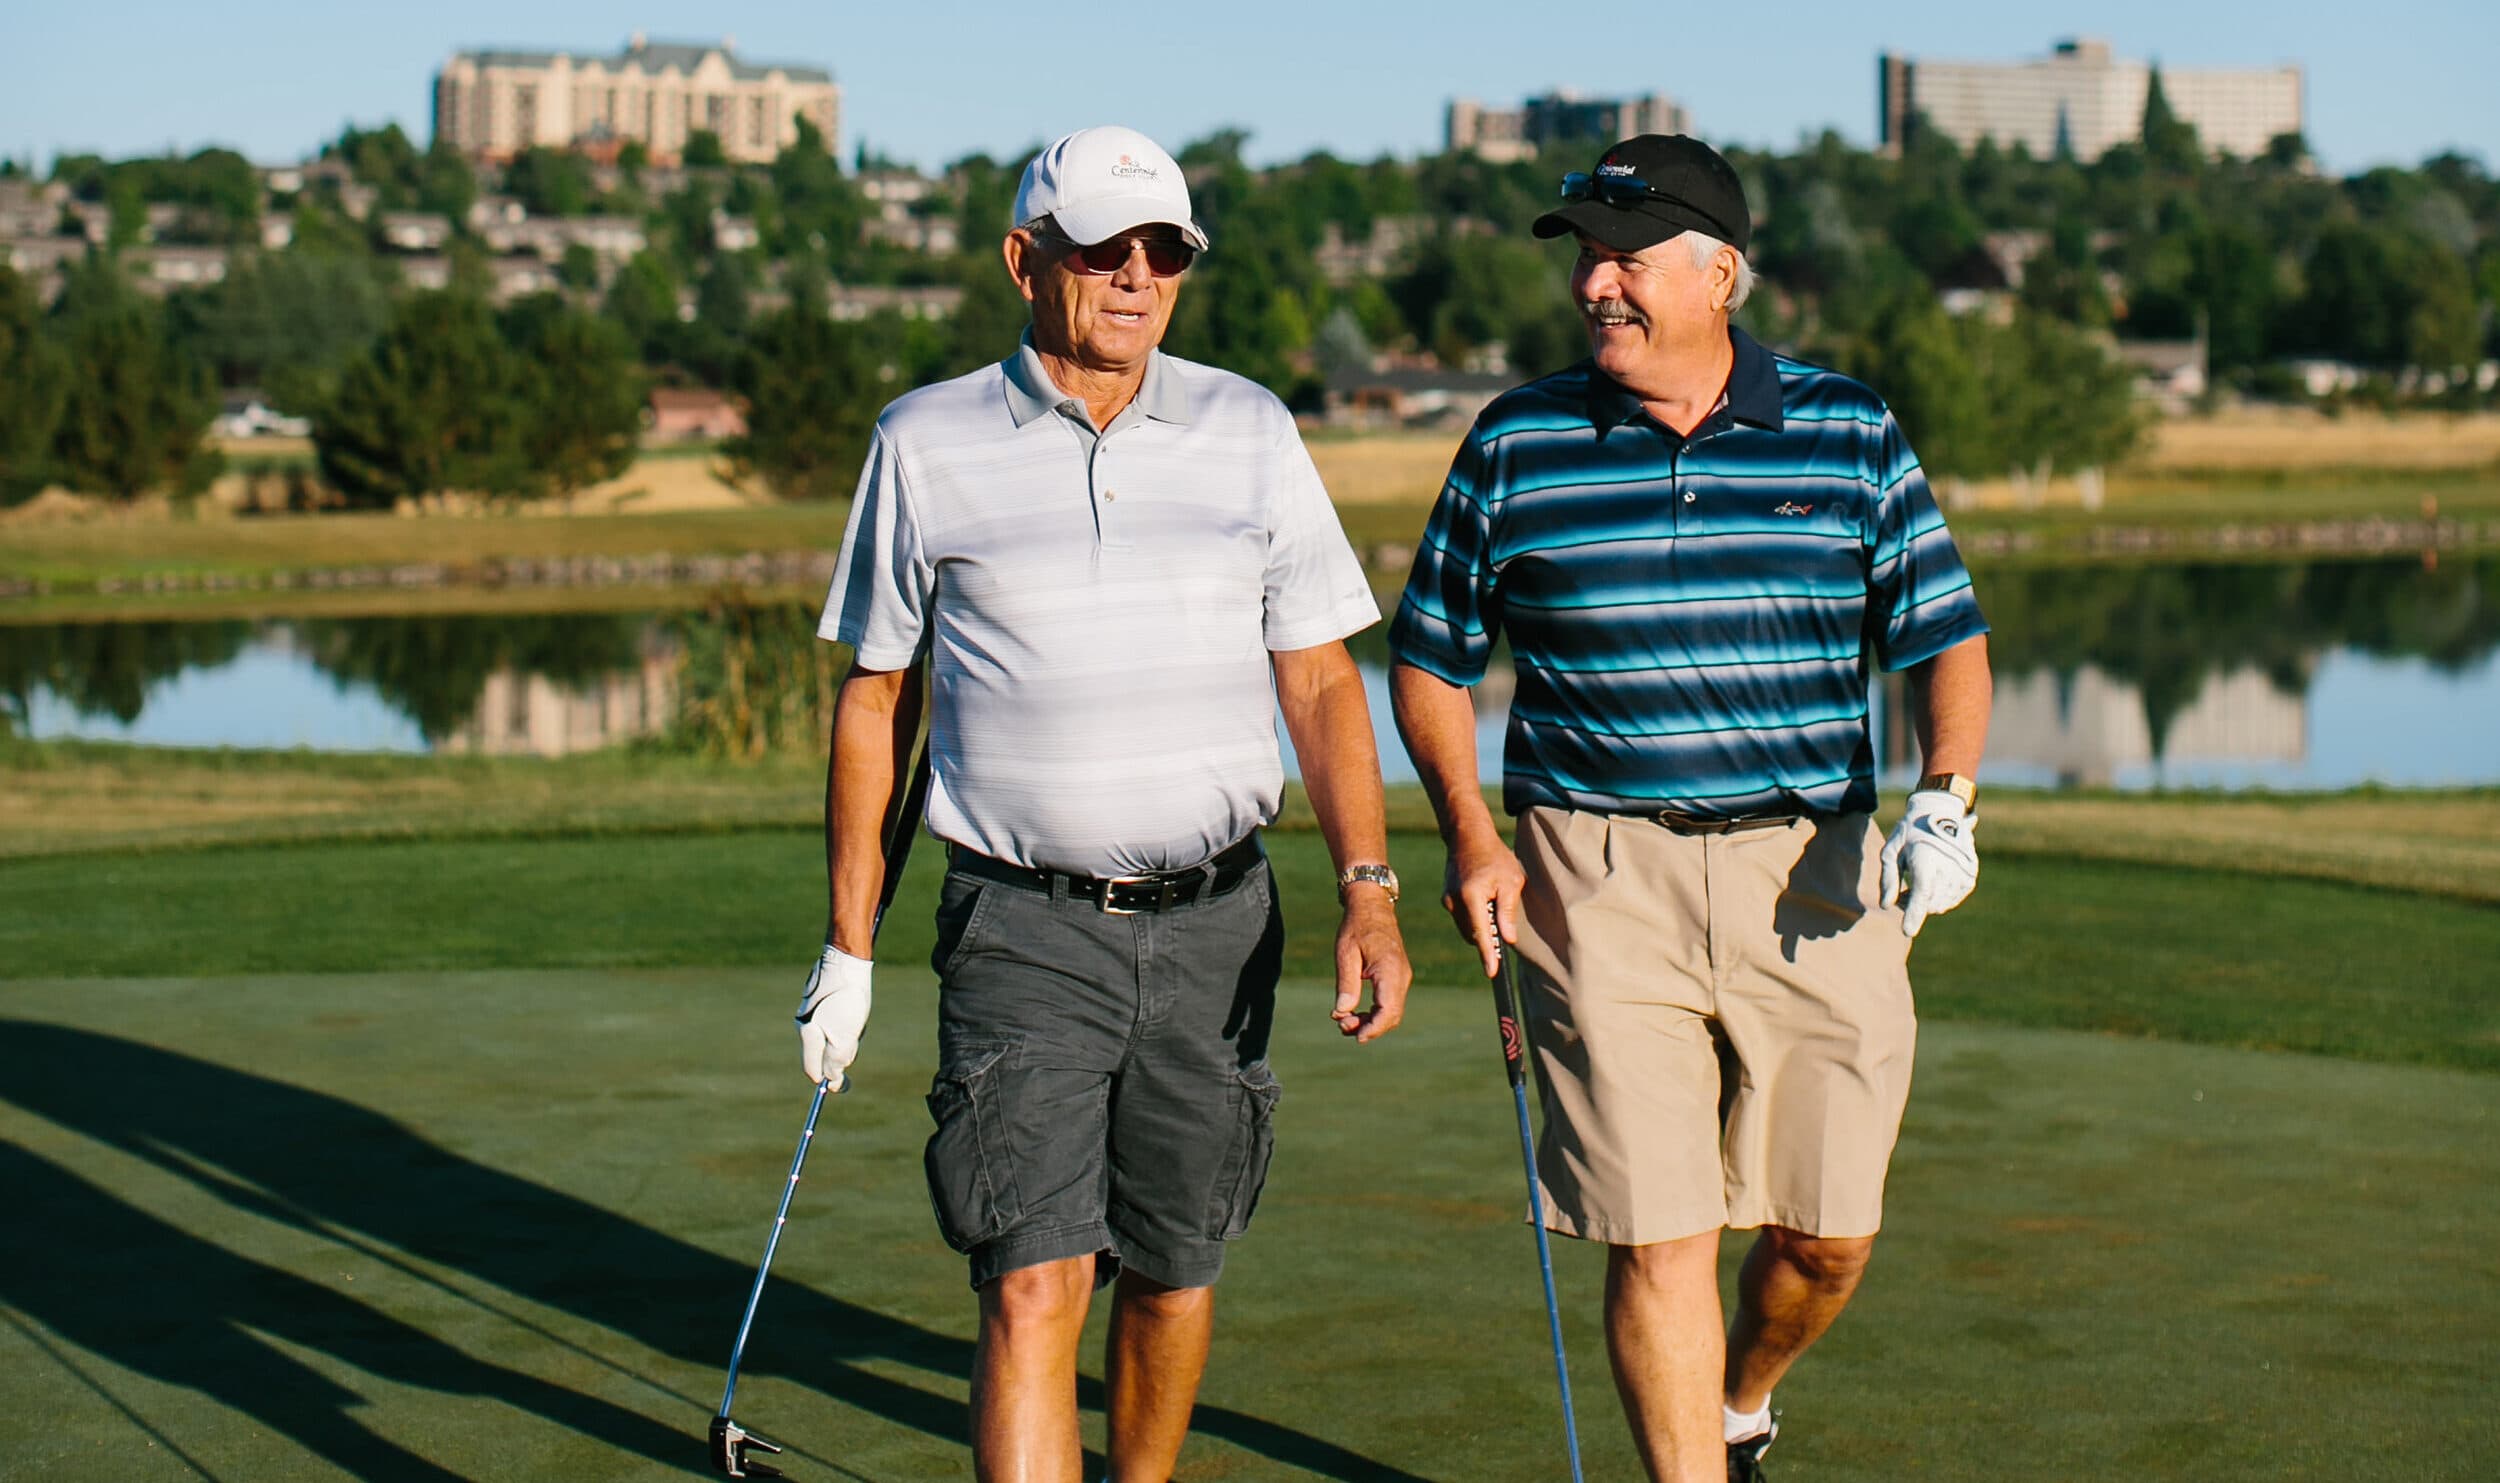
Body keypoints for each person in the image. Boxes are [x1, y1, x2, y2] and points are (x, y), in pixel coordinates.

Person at [792, 124, 1413, 1483]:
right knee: (1031, 1279)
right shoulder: (926, 438)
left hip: (1218, 923)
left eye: (1163, 253)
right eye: (1102, 250)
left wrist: (1369, 891)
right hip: (1022, 928)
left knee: (1177, 1275)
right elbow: (874, 703)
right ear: (1028, 261)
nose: (1136, 277)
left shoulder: (1250, 427)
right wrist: (847, 950)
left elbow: (1316, 680)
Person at [1387, 134, 1992, 1483]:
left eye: (1629, 259)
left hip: (1815, 876)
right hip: (1593, 878)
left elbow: (1943, 636)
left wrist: (1945, 799)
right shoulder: (1516, 441)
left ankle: (1739, 1400)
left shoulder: (1845, 429)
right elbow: (1429, 661)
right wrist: (1471, 833)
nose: (1599, 285)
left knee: (1827, 1234)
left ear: (1723, 271)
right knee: (1659, 1236)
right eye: (1587, 259)